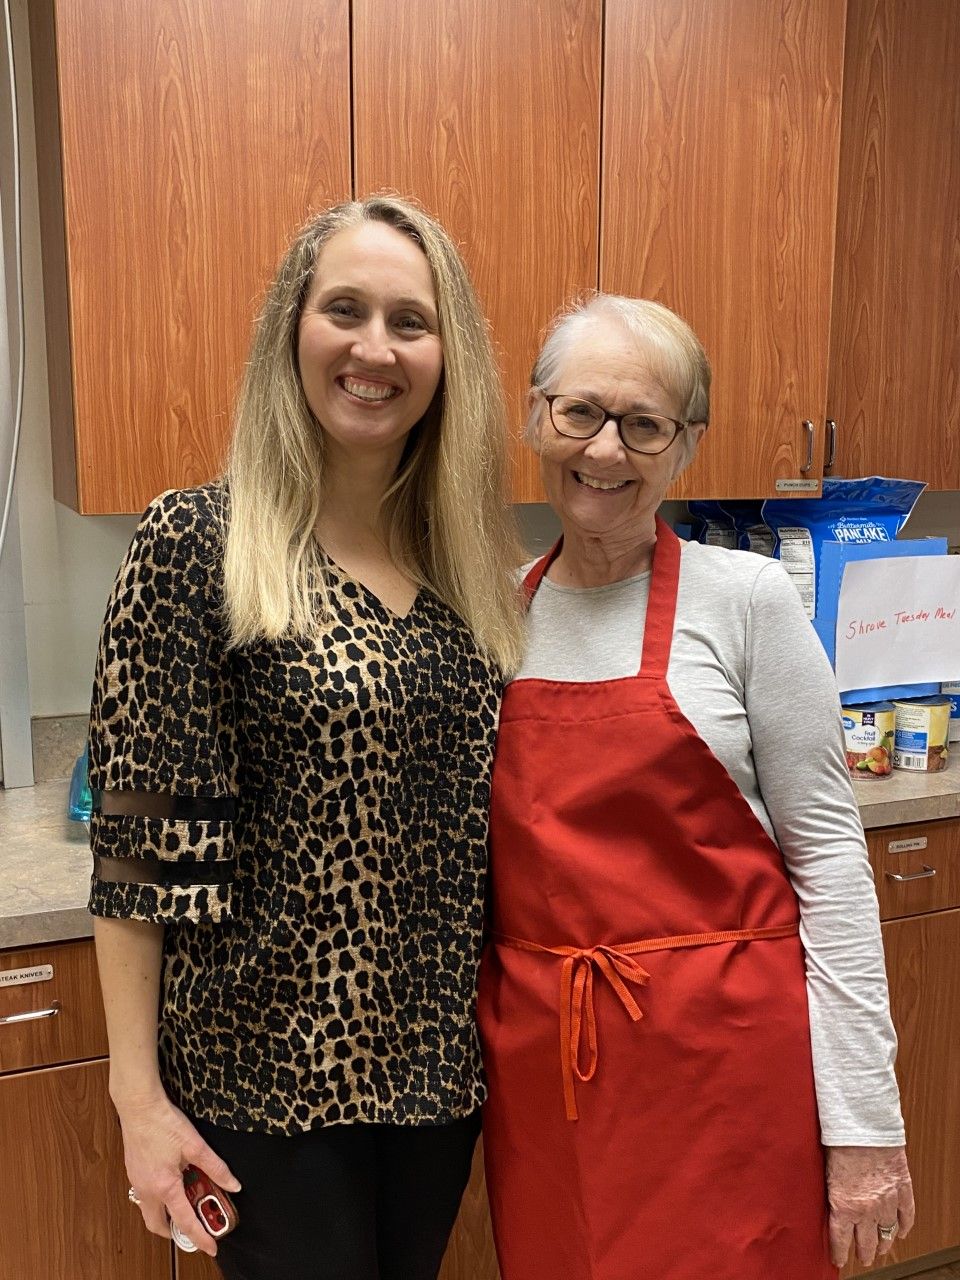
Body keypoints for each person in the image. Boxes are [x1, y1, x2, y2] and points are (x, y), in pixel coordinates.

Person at [87, 194, 525, 1280]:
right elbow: (141, 858)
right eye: (345, 309)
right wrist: (138, 1099)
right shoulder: (198, 542)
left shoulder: (468, 569)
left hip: (437, 1083)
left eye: (410, 321)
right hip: (262, 1089)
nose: (375, 347)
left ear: (446, 354)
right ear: (293, 328)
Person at [477, 294, 915, 1280]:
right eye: (581, 411)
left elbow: (835, 873)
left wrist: (863, 1125)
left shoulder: (747, 602)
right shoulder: (492, 614)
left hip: (727, 1075)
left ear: (686, 445)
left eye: (645, 423)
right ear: (536, 416)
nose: (607, 449)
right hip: (554, 1077)